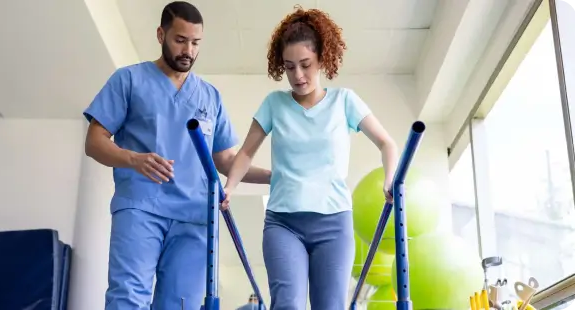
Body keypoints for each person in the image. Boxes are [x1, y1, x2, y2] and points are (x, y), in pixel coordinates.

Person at [82, 2, 271, 309]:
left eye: (196, 43)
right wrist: (134, 159)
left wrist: (274, 177)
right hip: (141, 207)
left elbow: (225, 162)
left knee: (181, 304)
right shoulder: (128, 80)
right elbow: (94, 142)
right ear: (161, 34)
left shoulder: (210, 96)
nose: (188, 51)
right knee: (128, 298)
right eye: (180, 40)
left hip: (195, 217)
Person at [220, 6, 399, 310]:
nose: (298, 75)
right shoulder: (274, 104)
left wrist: (390, 180)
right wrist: (230, 187)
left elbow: (387, 143)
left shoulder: (345, 101)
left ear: (322, 59)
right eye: (289, 67)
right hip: (283, 223)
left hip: (334, 224)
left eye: (305, 64)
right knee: (287, 305)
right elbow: (246, 152)